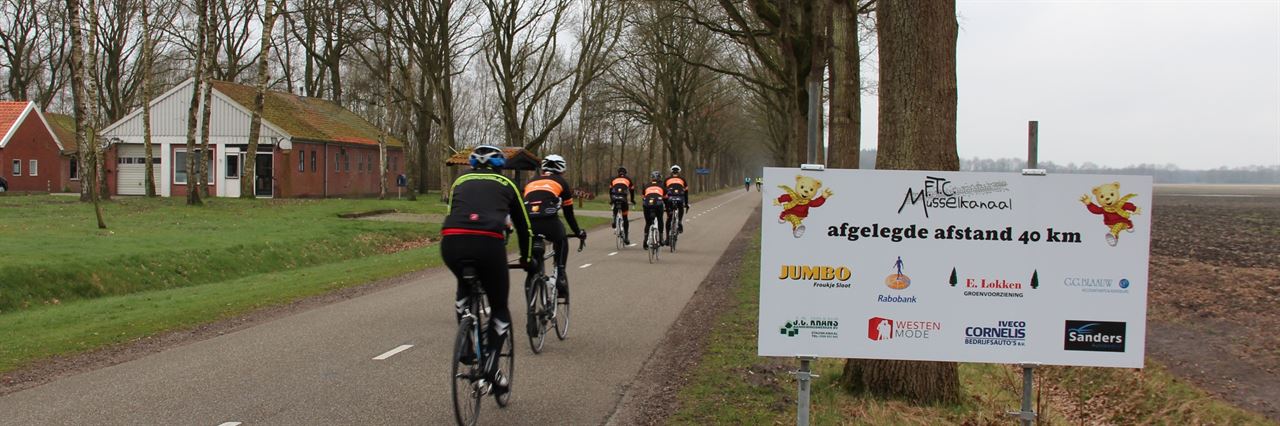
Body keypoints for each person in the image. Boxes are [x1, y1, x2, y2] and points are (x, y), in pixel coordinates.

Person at [439, 145, 531, 399]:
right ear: (499, 166)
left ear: (473, 164)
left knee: (463, 285)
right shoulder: (508, 183)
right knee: (499, 306)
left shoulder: (459, 181)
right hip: (488, 243)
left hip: (452, 241)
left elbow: (451, 212)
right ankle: (491, 365)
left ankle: (466, 347)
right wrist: (528, 258)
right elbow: (524, 227)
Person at [521, 154, 584, 336]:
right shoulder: (561, 183)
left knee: (533, 270)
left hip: (528, 225)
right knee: (561, 239)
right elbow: (569, 214)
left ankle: (531, 315)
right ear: (561, 170)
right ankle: (561, 274)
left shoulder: (531, 182)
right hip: (549, 222)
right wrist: (578, 232)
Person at [609, 167, 637, 245]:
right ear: (625, 173)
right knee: (625, 218)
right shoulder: (628, 179)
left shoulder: (613, 179)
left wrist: (611, 200)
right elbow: (632, 191)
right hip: (623, 199)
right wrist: (632, 200)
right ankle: (626, 238)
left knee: (615, 205)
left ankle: (614, 219)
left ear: (618, 173)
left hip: (614, 197)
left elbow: (610, 191)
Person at [641, 171, 668, 249]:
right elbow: (666, 198)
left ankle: (645, 241)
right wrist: (667, 207)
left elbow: (643, 197)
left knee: (648, 223)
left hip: (647, 204)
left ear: (652, 178)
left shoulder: (646, 185)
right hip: (658, 204)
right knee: (660, 220)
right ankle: (661, 239)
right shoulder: (662, 186)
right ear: (659, 178)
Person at [664, 165, 690, 234]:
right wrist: (686, 203)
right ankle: (680, 221)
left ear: (671, 172)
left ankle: (667, 235)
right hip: (680, 198)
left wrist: (664, 205)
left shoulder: (667, 179)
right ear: (678, 172)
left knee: (669, 216)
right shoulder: (683, 179)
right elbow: (686, 192)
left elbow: (663, 192)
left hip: (669, 199)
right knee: (681, 208)